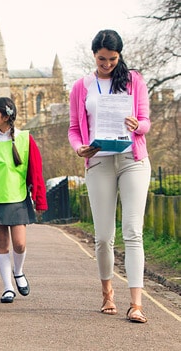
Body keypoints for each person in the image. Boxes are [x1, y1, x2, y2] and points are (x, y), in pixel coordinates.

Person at [68, 29, 151, 323]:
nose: (107, 65)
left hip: (132, 159)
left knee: (133, 231)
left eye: (112, 59)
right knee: (103, 237)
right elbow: (74, 129)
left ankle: (136, 304)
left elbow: (145, 121)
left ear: (119, 56)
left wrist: (137, 125)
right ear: (94, 55)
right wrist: (80, 149)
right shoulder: (82, 86)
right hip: (99, 162)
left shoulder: (133, 80)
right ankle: (107, 293)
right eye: (102, 59)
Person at [0, 97, 47, 304]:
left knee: (20, 244)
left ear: (6, 116)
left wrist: (40, 201)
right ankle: (7, 287)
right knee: (2, 244)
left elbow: (36, 170)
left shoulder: (25, 138)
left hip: (18, 197)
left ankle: (19, 271)